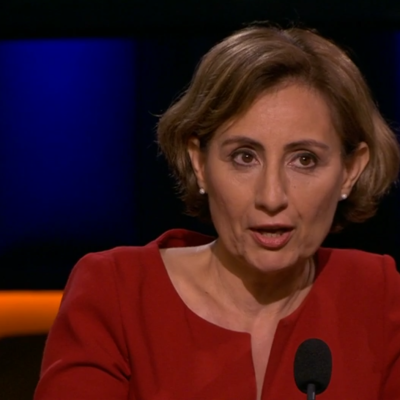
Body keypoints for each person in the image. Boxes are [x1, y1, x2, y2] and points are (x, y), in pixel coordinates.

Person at [34, 24, 400, 400]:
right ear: (200, 163)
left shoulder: (378, 295)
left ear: (350, 171)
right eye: (244, 157)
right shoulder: (117, 292)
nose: (272, 196)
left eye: (304, 160)